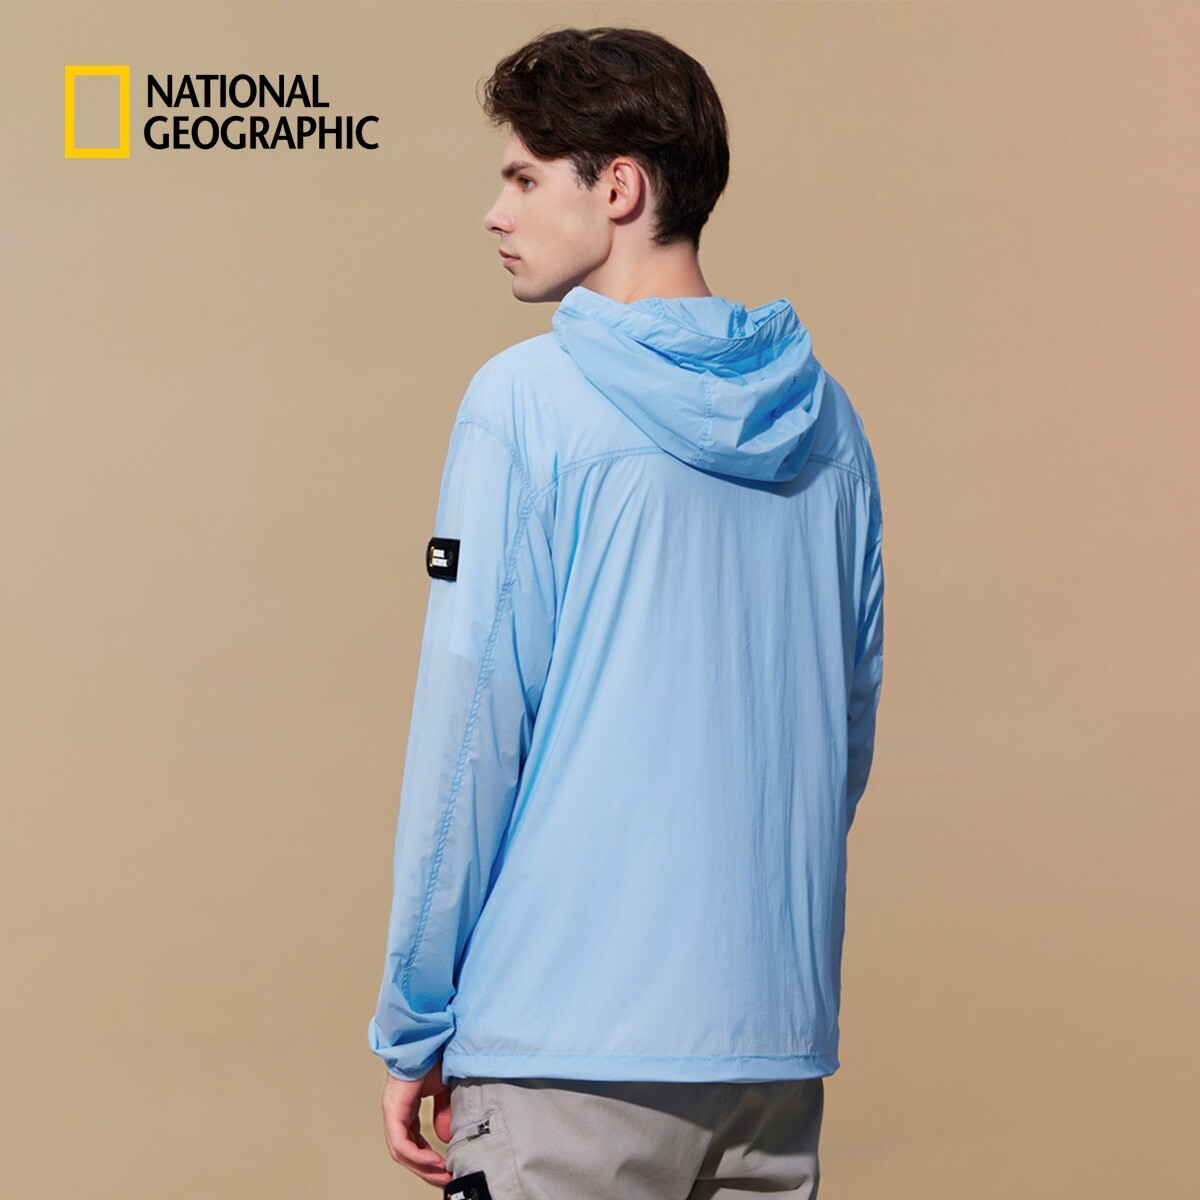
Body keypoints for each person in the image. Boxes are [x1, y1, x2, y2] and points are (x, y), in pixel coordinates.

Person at [368, 25, 884, 1200]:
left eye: (523, 177)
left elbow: (469, 735)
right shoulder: (830, 423)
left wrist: (413, 1020)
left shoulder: (525, 401)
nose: (495, 212)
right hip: (771, 1059)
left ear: (618, 187)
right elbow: (842, 736)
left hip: (560, 1058)